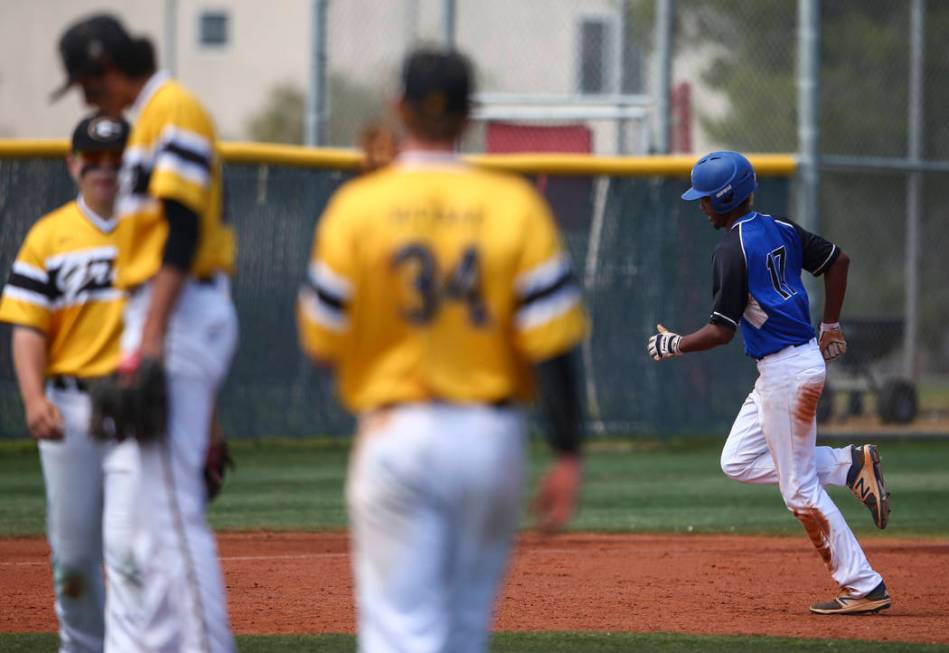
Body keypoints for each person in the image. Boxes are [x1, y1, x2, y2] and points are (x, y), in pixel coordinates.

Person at [298, 48, 586, 652]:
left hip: (395, 433)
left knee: (400, 632)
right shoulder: (514, 205)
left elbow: (321, 339)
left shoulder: (359, 206)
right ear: (469, 116)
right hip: (489, 441)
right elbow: (553, 341)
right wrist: (567, 451)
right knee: (461, 630)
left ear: (398, 107)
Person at [54, 14, 238, 651]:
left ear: (109, 66)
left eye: (85, 82)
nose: (85, 97)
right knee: (132, 524)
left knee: (168, 516)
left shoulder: (172, 110)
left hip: (176, 312)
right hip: (159, 314)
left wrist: (152, 338)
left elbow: (182, 231)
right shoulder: (149, 119)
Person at [647, 150, 891, 615]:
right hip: (787, 368)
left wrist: (675, 344)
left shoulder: (730, 251)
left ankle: (863, 586)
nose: (700, 205)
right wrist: (831, 324)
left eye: (705, 198)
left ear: (726, 197)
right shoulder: (779, 227)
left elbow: (722, 330)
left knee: (798, 490)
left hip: (787, 374)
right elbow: (838, 261)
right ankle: (847, 465)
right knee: (737, 461)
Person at [0, 113, 131, 653]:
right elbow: (28, 327)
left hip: (138, 409)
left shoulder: (153, 232)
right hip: (70, 406)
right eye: (92, 159)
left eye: (115, 159)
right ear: (72, 164)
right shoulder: (48, 236)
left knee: (136, 551)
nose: (103, 170)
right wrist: (33, 398)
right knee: (74, 555)